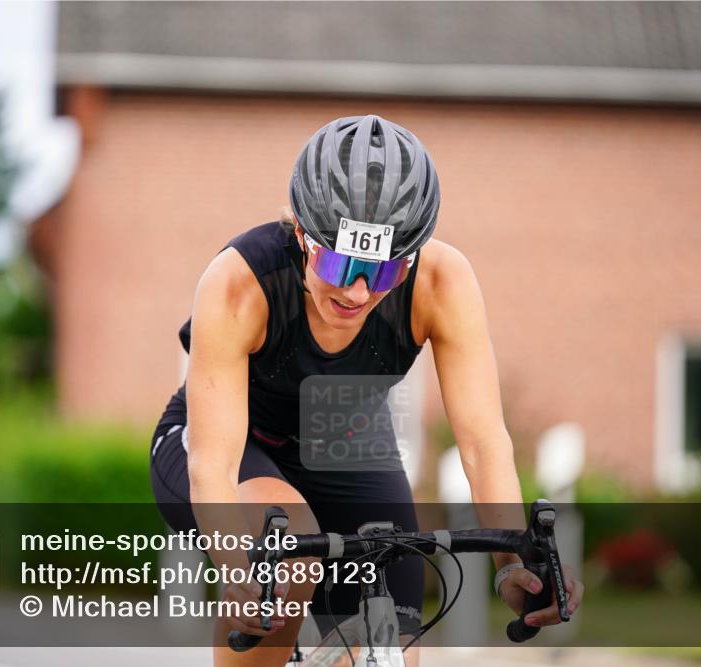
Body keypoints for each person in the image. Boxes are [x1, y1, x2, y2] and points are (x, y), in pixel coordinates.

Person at [150, 114, 583, 666]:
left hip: (343, 439)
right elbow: (212, 463)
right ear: (303, 235)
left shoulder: (441, 282)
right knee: (287, 555)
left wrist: (513, 561)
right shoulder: (241, 282)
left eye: (381, 273)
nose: (357, 290)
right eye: (340, 262)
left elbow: (482, 443)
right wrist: (237, 569)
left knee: (396, 627)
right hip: (226, 444)